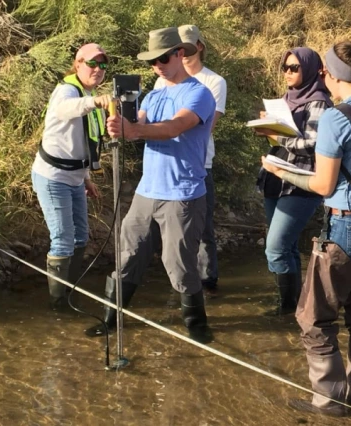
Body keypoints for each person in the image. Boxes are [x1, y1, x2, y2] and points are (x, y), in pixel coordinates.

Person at [261, 41, 351, 415]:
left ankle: (329, 403)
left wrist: (282, 170)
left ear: (335, 74)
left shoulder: (338, 118)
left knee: (314, 317)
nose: (322, 78)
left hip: (346, 227)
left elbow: (323, 185)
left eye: (324, 72)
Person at [84, 27, 216, 343]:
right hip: (147, 192)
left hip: (182, 195)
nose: (157, 65)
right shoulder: (154, 93)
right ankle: (110, 321)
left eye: (162, 58)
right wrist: (119, 124)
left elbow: (174, 127)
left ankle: (197, 327)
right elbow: (138, 124)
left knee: (181, 268)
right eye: (152, 61)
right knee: (127, 257)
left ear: (181, 54)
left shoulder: (198, 93)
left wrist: (135, 130)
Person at [31, 43, 111, 309]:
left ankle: (71, 288)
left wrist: (86, 177)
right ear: (78, 64)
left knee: (81, 236)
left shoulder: (91, 92)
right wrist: (95, 102)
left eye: (102, 65)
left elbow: (85, 141)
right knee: (63, 238)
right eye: (92, 63)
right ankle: (59, 303)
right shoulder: (67, 90)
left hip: (76, 177)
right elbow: (66, 109)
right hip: (53, 176)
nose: (97, 69)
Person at [255, 47, 332, 316]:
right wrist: (269, 127)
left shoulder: (319, 101)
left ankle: (289, 308)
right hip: (276, 176)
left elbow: (314, 144)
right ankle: (294, 306)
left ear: (310, 70)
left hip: (302, 181)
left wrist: (277, 137)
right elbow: (286, 138)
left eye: (294, 68)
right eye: (285, 67)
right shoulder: (287, 99)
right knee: (282, 247)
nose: (288, 72)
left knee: (275, 247)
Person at [154, 25, 227, 298]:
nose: (181, 53)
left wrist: (171, 126)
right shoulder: (162, 79)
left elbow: (206, 127)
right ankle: (181, 281)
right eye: (176, 49)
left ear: (199, 47)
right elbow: (154, 119)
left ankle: (208, 282)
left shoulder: (214, 82)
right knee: (169, 229)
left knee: (203, 227)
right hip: (166, 163)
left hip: (199, 164)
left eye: (186, 47)